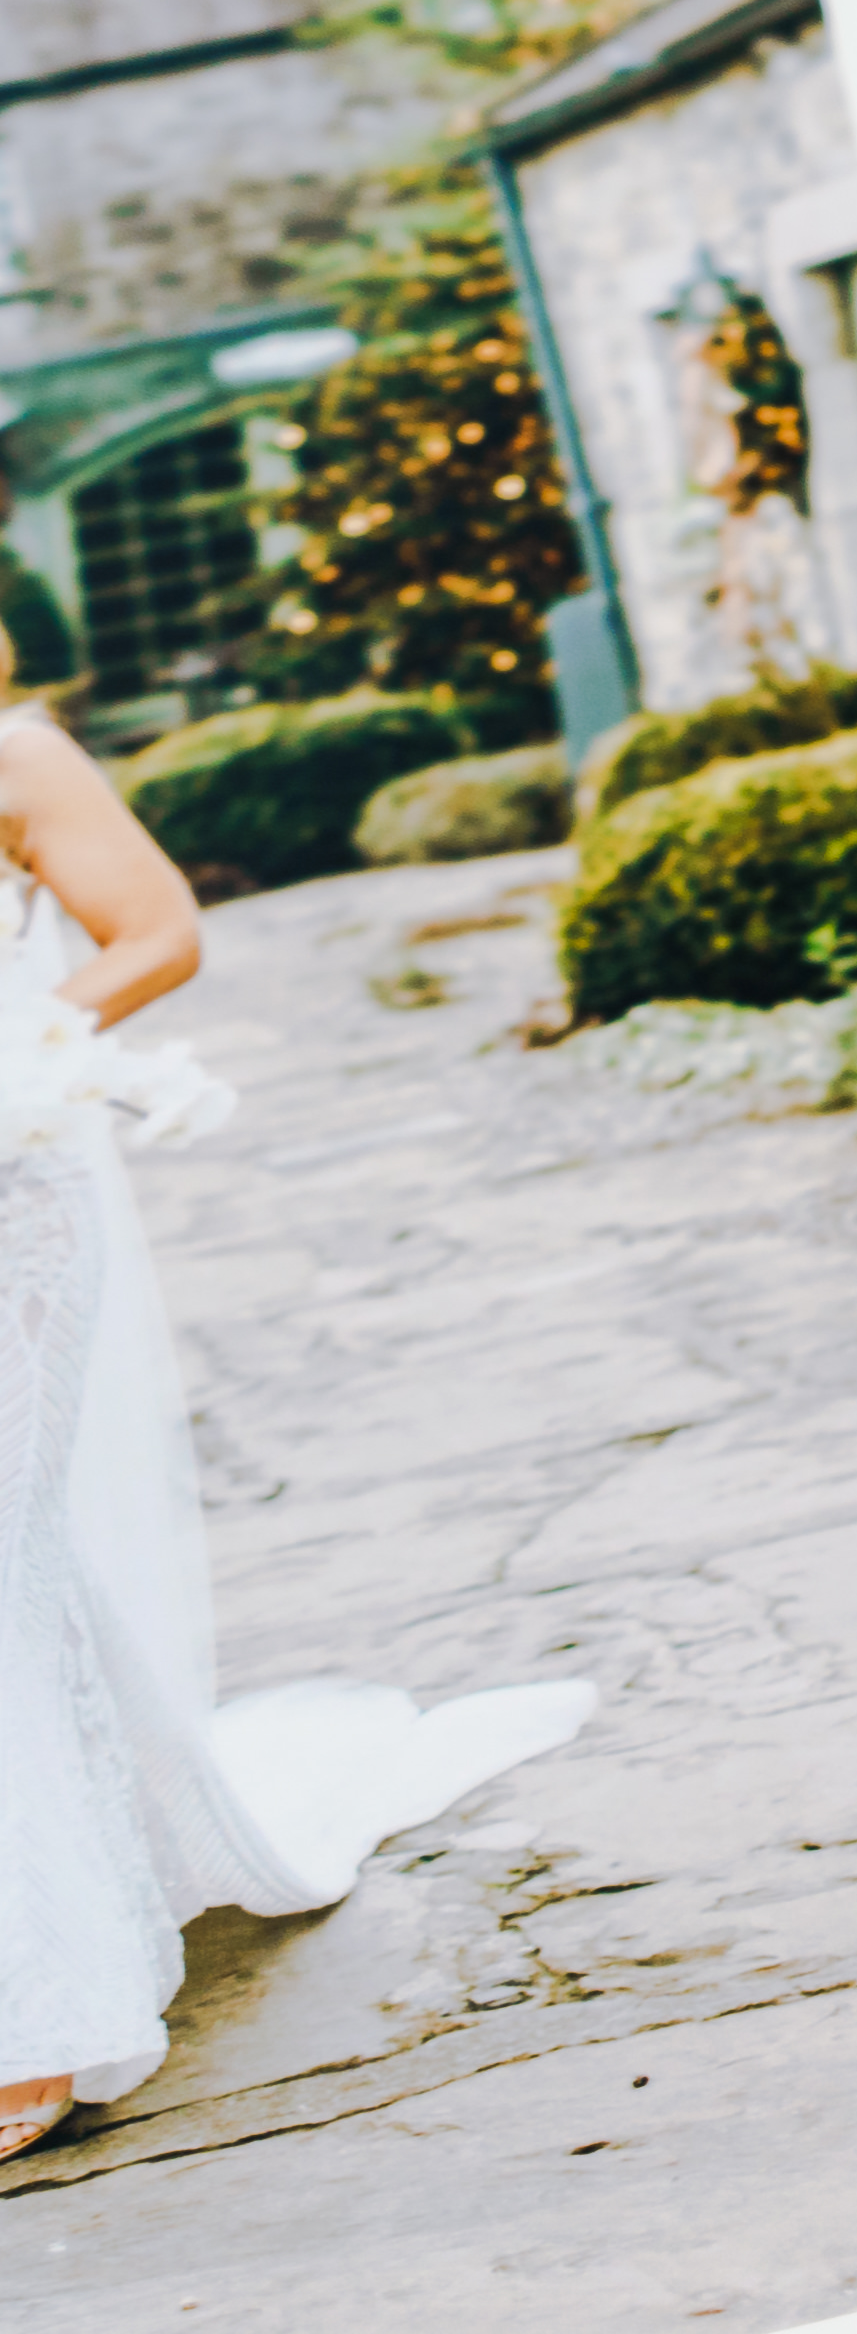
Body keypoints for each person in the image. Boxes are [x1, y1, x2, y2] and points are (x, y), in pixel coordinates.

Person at [3, 708, 586, 2164]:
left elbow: (153, 933)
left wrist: (23, 1040)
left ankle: (44, 2023)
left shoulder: (13, 753)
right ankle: (103, 1860)